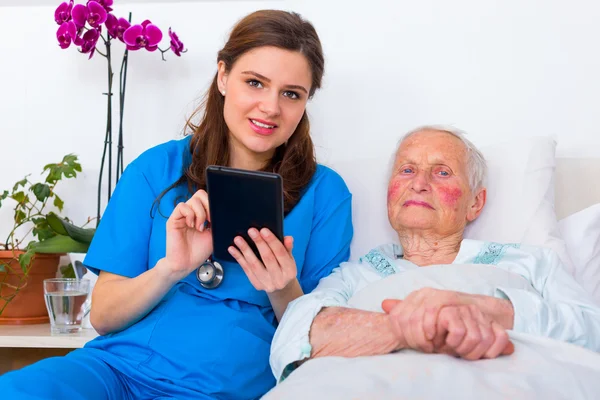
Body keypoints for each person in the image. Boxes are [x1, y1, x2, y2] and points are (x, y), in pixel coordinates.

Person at [0, 10, 353, 400]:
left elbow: (323, 345)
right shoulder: (157, 168)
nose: (270, 107)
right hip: (114, 374)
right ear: (223, 77)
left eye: (291, 93)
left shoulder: (326, 195)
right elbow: (102, 316)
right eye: (255, 82)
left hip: (219, 390)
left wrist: (283, 288)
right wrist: (170, 269)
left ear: (306, 102)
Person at [269, 126, 600, 383]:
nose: (419, 184)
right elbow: (295, 336)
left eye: (442, 172)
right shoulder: (354, 275)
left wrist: (494, 312)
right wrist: (408, 330)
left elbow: (592, 332)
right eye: (407, 170)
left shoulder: (532, 263)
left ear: (475, 203)